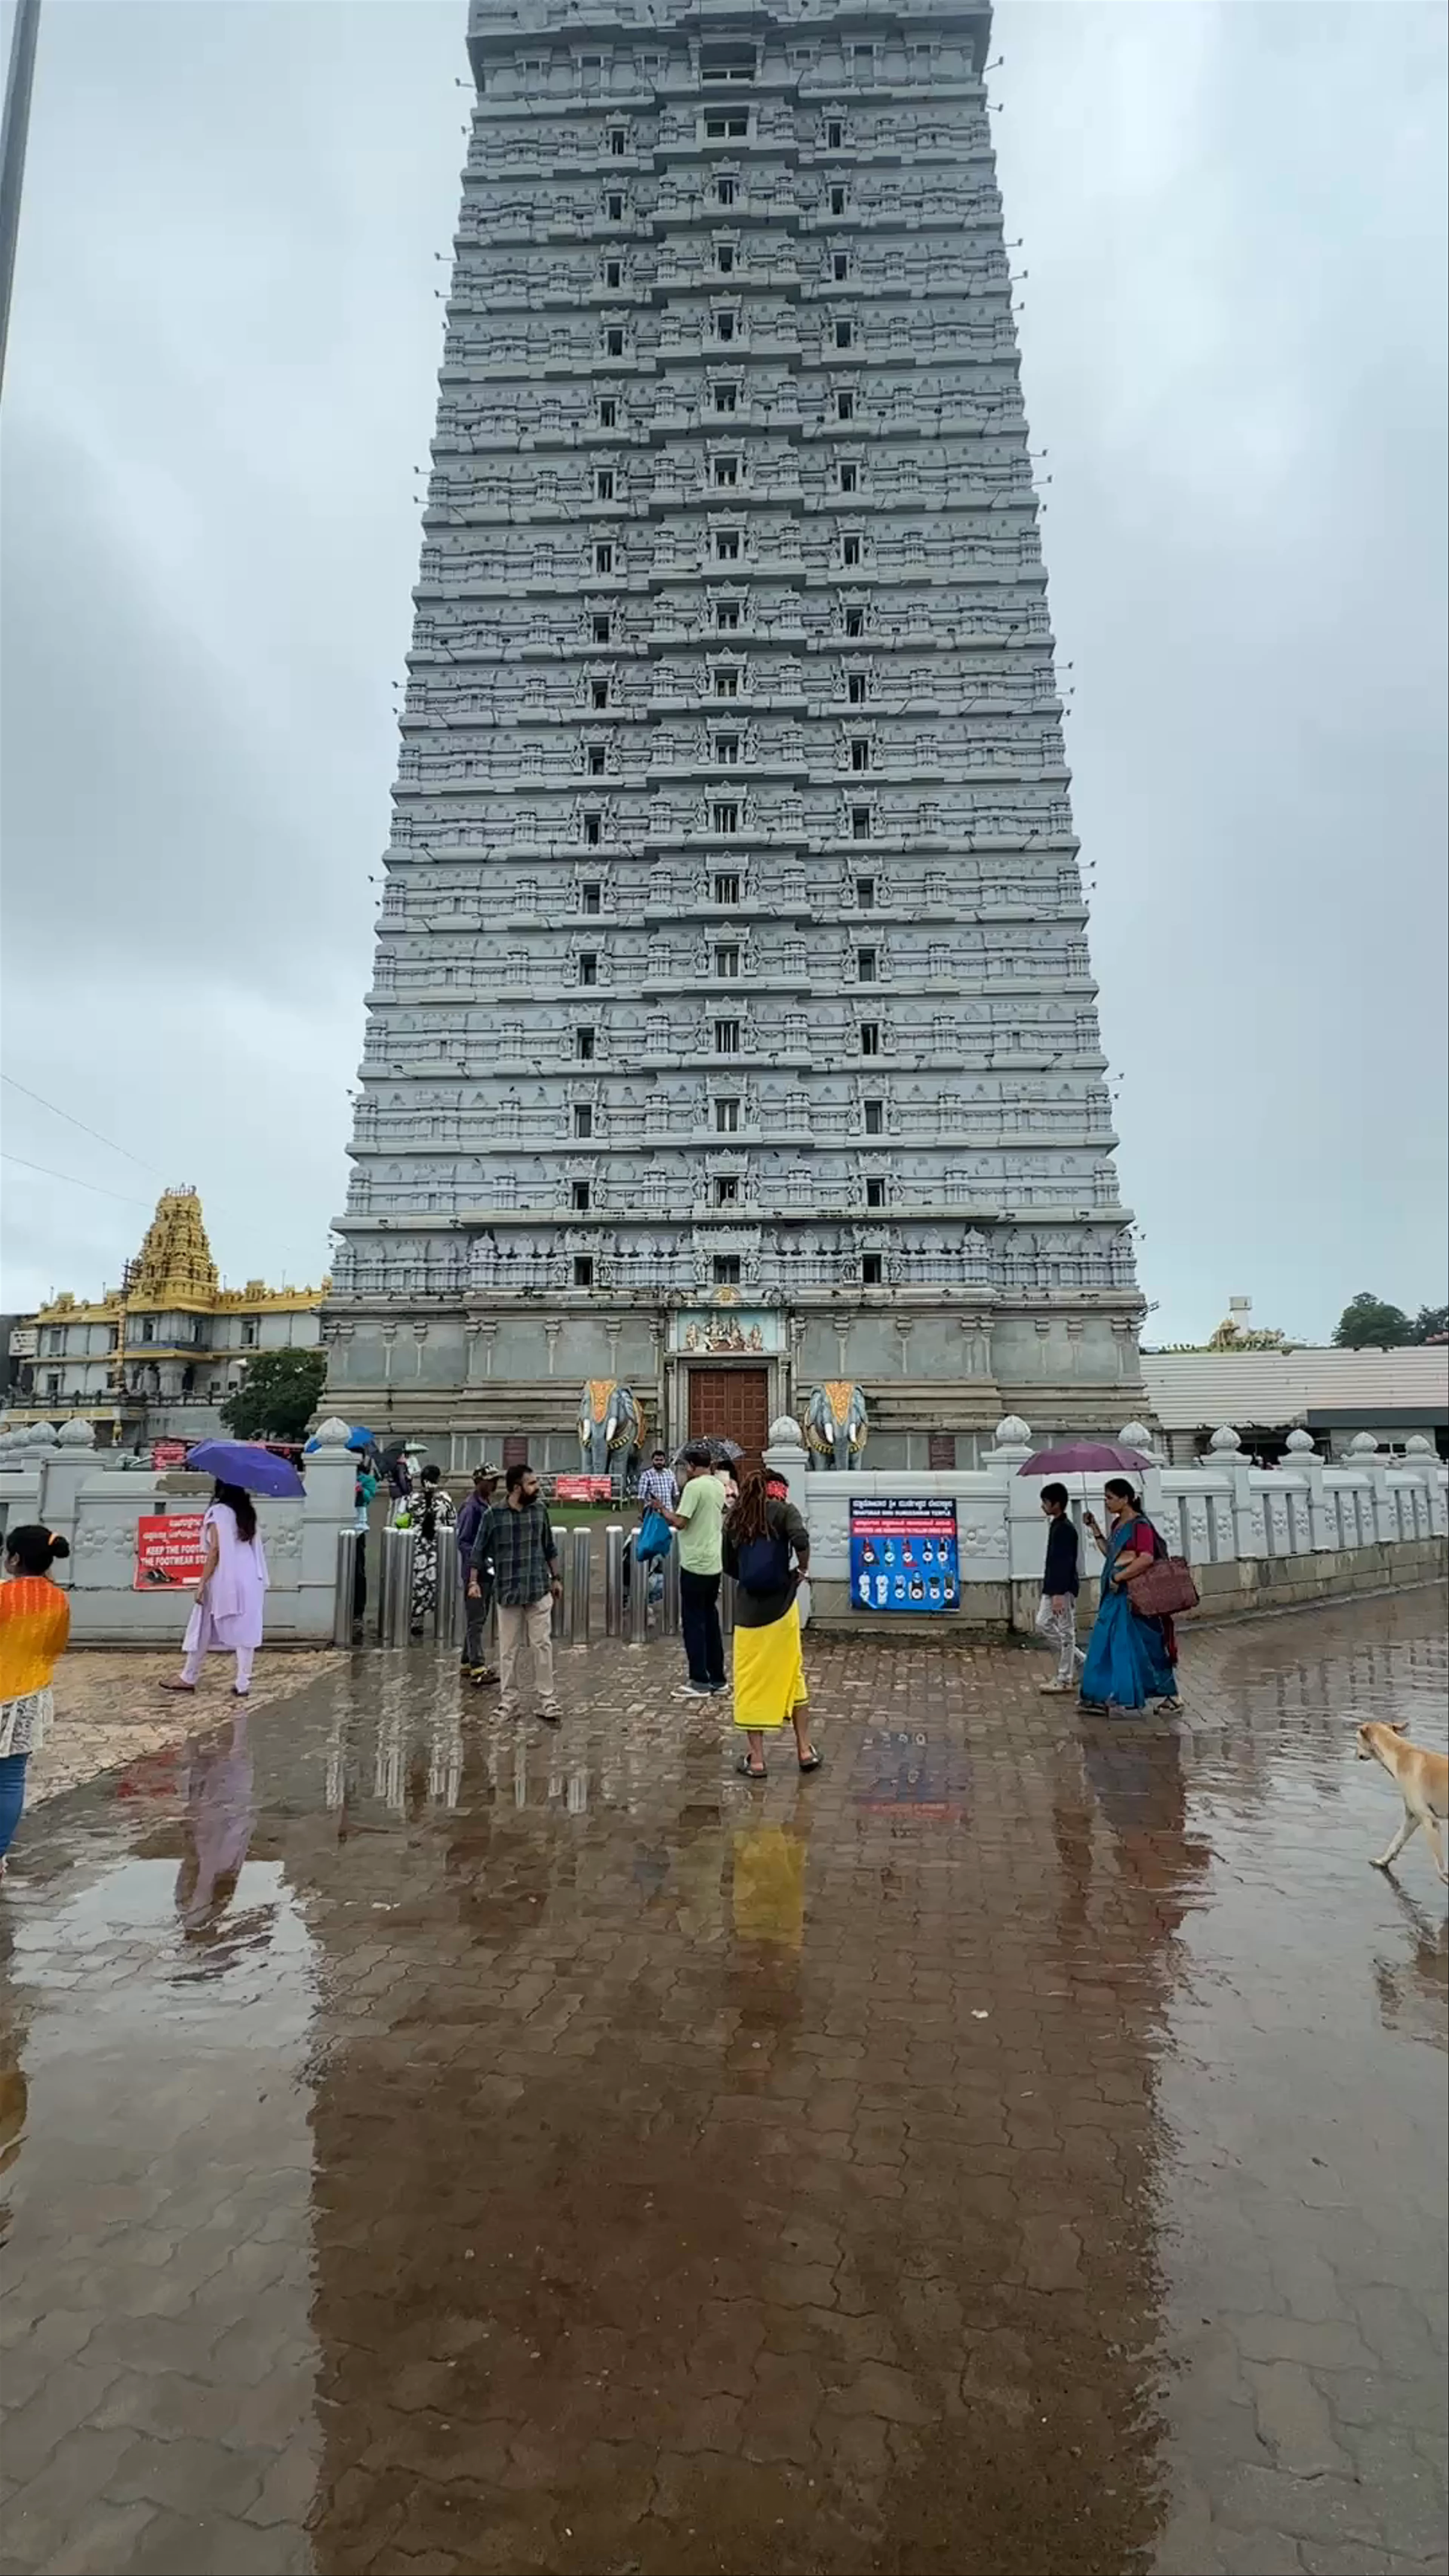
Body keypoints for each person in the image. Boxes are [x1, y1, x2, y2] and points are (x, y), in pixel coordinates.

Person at [722, 1464, 820, 1779]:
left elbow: (729, 1565)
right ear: (778, 1489)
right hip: (783, 1610)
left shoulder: (737, 1519)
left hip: (750, 1614)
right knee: (794, 1675)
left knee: (750, 1682)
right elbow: (801, 1539)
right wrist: (801, 1570)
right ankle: (805, 1750)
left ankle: (758, 1760)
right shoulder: (784, 1511)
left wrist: (751, 1577)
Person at [0, 1527, 71, 1878]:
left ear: (15, 1559)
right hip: (30, 1697)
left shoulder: (2, 1595)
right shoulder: (59, 1599)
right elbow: (55, 1648)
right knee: (11, 1779)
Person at [1078, 1479, 1183, 1715]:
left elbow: (1146, 1558)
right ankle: (1099, 1695)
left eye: (1110, 1498)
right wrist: (1095, 1528)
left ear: (1125, 1499)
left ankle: (1172, 1695)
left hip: (1132, 1596)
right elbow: (1111, 1554)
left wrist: (1120, 1578)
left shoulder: (1140, 1526)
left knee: (1147, 1645)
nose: (1106, 1502)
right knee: (1106, 1643)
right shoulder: (1118, 1524)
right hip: (1115, 1595)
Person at [468, 1463, 561, 1724]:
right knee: (508, 1650)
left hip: (537, 1588)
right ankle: (509, 1701)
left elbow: (549, 1547)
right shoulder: (493, 1515)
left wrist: (557, 1578)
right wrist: (473, 1582)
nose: (537, 1487)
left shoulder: (540, 1511)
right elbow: (477, 1550)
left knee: (542, 1645)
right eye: (532, 1483)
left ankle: (548, 1700)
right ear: (517, 1488)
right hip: (508, 1590)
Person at [162, 1481, 269, 1699]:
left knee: (201, 1623)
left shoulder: (218, 1512)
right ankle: (243, 1683)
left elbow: (215, 1550)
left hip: (225, 1576)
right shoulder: (248, 1513)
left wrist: (202, 1583)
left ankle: (189, 1676)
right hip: (251, 1576)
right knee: (247, 1629)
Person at [665, 1442, 728, 1699]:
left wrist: (662, 1510)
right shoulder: (717, 1485)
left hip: (694, 1563)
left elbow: (681, 1522)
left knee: (694, 1623)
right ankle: (719, 1679)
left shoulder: (693, 1487)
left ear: (691, 1466)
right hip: (714, 1563)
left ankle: (699, 1680)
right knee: (711, 1621)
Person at [1035, 1482, 1084, 1695]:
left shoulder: (1065, 1529)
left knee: (1066, 1632)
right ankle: (1082, 1662)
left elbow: (1065, 1562)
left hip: (1061, 1589)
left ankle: (1065, 1677)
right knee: (1043, 1624)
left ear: (1057, 1504)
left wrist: (1058, 1594)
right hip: (1053, 1587)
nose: (1043, 1506)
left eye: (1046, 1502)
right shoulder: (1057, 1525)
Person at [394, 1463, 455, 1636]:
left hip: (416, 1546)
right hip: (438, 1548)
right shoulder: (445, 1499)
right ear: (439, 1479)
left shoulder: (412, 1499)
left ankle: (416, 1620)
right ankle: (442, 1624)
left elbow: (401, 1521)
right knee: (438, 1584)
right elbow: (453, 1522)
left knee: (417, 1583)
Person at [455, 1467, 499, 1685]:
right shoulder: (471, 1508)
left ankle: (467, 1661)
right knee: (476, 1620)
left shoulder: (485, 1504)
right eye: (490, 1481)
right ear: (479, 1482)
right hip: (476, 1573)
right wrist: (478, 1561)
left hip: (487, 1570)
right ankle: (477, 1666)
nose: (494, 1484)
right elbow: (464, 1541)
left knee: (478, 1617)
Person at [637, 1449, 679, 1516]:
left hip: (669, 1512)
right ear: (653, 1461)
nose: (659, 1462)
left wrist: (677, 1509)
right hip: (652, 1513)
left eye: (661, 1460)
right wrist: (641, 1513)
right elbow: (641, 1497)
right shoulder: (647, 1475)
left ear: (664, 1461)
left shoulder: (670, 1474)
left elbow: (676, 1494)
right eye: (657, 1460)